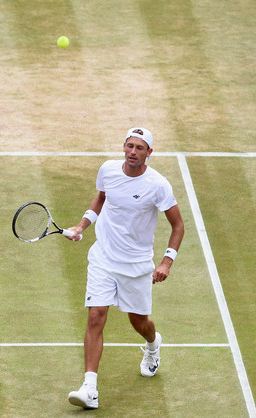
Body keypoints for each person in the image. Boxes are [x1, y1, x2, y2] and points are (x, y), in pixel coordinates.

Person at [66, 127, 185, 409]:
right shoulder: (107, 170)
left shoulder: (158, 185)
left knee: (139, 322)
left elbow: (178, 225)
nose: (133, 152)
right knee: (96, 315)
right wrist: (82, 226)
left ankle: (153, 345)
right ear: (123, 146)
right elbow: (101, 198)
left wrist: (167, 261)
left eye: (140, 148)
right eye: (130, 146)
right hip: (103, 258)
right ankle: (89, 388)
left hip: (136, 265)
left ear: (149, 153)